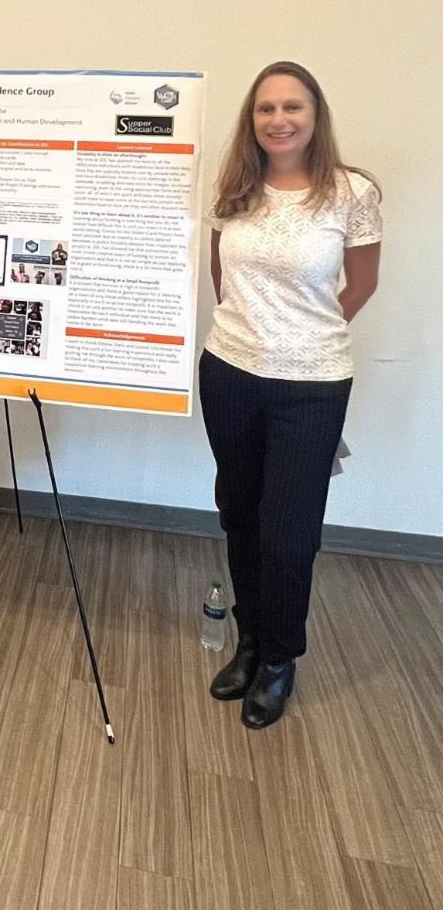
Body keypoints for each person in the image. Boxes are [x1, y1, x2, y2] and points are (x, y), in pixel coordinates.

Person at [199, 61, 381, 729]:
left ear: (315, 115)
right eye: (266, 108)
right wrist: (252, 334)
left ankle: (280, 658)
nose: (279, 119)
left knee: (289, 534)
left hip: (312, 386)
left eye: (292, 107)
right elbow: (223, 278)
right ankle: (249, 641)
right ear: (253, 120)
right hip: (228, 373)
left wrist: (302, 336)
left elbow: (362, 284)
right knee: (239, 514)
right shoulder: (235, 190)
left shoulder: (352, 192)